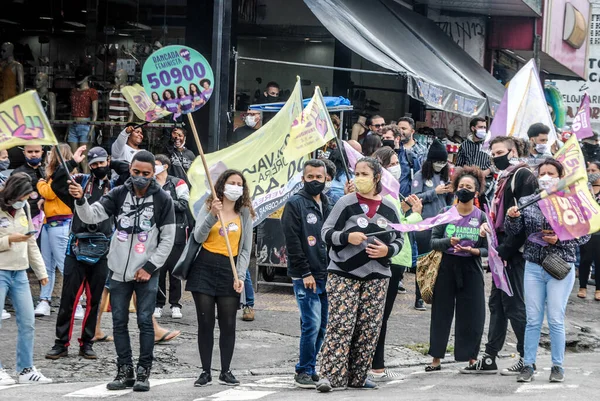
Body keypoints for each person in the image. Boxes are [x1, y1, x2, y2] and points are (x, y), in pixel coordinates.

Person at [71, 150, 176, 392]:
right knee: (118, 322)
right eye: (136, 172)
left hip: (147, 272)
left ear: (154, 173)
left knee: (144, 322)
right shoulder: (118, 194)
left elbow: (168, 239)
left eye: (146, 174)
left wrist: (149, 267)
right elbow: (92, 216)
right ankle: (124, 370)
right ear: (130, 170)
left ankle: (143, 372)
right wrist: (80, 200)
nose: (140, 177)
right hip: (118, 271)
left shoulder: (163, 200)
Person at [317, 157, 404, 392]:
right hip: (344, 272)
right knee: (341, 324)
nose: (359, 178)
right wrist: (346, 237)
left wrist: (388, 250)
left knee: (369, 327)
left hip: (377, 275)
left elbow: (400, 239)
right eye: (357, 173)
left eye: (364, 174)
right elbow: (326, 231)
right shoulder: (346, 203)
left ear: (377, 178)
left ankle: (358, 375)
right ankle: (329, 375)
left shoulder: (389, 207)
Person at [505, 159, 590, 383]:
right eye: (542, 173)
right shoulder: (528, 201)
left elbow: (585, 235)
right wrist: (511, 217)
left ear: (560, 176)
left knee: (555, 318)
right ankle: (528, 364)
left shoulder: (571, 202)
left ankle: (557, 366)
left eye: (551, 173)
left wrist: (560, 238)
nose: (545, 177)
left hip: (560, 267)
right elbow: (515, 231)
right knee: (533, 319)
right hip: (533, 265)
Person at [463, 136, 537, 375]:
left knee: (514, 304)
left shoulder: (523, 176)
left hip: (513, 251)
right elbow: (498, 215)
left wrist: (506, 251)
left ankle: (527, 357)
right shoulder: (504, 178)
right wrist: (489, 229)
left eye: (500, 152)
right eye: (493, 154)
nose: (496, 158)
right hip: (500, 249)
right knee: (497, 303)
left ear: (513, 151)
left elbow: (525, 220)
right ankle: (490, 356)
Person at [45, 146, 115, 360]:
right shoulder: (80, 181)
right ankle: (61, 343)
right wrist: (73, 161)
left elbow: (130, 169)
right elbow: (56, 183)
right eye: (94, 164)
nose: (98, 167)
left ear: (108, 161)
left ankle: (87, 343)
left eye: (102, 162)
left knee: (94, 301)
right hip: (76, 247)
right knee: (68, 299)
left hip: (103, 249)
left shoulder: (116, 186)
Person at [186, 170, 252, 387]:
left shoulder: (244, 213)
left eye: (239, 184)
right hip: (204, 268)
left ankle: (226, 370)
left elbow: (245, 250)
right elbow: (198, 237)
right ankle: (205, 371)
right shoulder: (209, 208)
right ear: (222, 186)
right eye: (231, 182)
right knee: (205, 323)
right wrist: (213, 215)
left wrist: (240, 276)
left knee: (228, 323)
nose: (235, 186)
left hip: (229, 270)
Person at [426, 167, 487, 372]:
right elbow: (433, 241)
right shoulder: (445, 213)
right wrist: (447, 241)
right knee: (441, 312)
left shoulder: (481, 217)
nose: (464, 189)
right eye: (461, 186)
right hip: (446, 266)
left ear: (476, 192)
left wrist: (475, 250)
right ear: (454, 189)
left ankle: (470, 357)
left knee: (473, 313)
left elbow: (489, 248)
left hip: (471, 266)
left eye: (469, 187)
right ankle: (436, 358)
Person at [370, 147, 423, 381]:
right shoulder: (386, 194)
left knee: (380, 316)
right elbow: (398, 225)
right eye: (392, 162)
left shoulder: (390, 193)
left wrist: (407, 210)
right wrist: (415, 213)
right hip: (390, 259)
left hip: (395, 260)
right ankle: (377, 367)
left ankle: (376, 365)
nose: (397, 166)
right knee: (380, 316)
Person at [281, 159, 333, 389]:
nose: (314, 181)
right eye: (310, 177)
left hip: (327, 273)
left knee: (323, 325)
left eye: (319, 177)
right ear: (303, 178)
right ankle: (303, 370)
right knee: (310, 324)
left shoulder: (329, 203)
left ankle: (311, 367)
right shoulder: (295, 204)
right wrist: (305, 272)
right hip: (306, 275)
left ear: (325, 179)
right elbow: (292, 241)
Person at [0, 173, 52, 385]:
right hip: (1, 270)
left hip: (20, 272)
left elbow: (31, 242)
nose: (24, 200)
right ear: (13, 193)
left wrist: (41, 272)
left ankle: (26, 369)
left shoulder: (26, 208)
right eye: (21, 196)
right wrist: (9, 240)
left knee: (28, 321)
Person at [34, 144, 77, 318]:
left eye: (51, 153)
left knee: (63, 264)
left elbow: (49, 193)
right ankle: (45, 300)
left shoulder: (61, 175)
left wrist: (40, 182)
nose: (48, 156)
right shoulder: (56, 175)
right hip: (49, 223)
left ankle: (75, 302)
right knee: (47, 266)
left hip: (60, 223)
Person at [411, 140, 453, 311]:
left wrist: (450, 192)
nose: (440, 165)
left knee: (440, 261)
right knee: (423, 260)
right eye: (437, 162)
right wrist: (433, 193)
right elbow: (415, 197)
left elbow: (448, 202)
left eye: (443, 162)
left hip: (441, 223)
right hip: (424, 224)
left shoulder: (445, 176)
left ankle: (435, 294)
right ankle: (418, 296)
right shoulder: (420, 176)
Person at [153, 155, 189, 319]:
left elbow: (183, 204)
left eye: (157, 164)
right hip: (156, 232)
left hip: (176, 230)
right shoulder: (151, 183)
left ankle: (175, 304)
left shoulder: (178, 183)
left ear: (165, 166)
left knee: (175, 270)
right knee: (158, 269)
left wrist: (164, 201)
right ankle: (158, 304)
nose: (154, 167)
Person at [579, 166, 600, 301]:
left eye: (594, 170)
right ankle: (582, 287)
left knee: (599, 261)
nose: (590, 173)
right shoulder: (585, 189)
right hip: (585, 230)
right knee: (585, 259)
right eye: (589, 170)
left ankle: (598, 289)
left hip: (599, 231)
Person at [12, 144, 45, 218]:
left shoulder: (48, 170)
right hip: (27, 215)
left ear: (42, 152)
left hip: (49, 214)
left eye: (37, 151)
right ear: (24, 153)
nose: (33, 155)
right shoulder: (17, 173)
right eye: (30, 152)